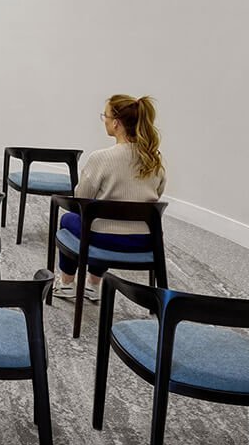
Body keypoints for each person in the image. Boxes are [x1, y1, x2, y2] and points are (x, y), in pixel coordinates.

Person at [51, 94, 165, 302]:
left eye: (105, 115)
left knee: (70, 219)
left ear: (116, 123)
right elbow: (157, 195)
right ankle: (93, 285)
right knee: (99, 222)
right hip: (145, 240)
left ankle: (66, 283)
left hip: (105, 239)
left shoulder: (101, 158)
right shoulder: (154, 160)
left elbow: (81, 199)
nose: (104, 119)